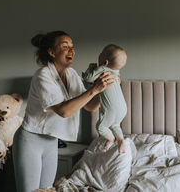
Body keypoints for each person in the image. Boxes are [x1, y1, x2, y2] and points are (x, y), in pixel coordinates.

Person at [12, 31, 115, 192]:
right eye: (65, 46)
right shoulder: (42, 75)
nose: (71, 50)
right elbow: (63, 111)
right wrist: (95, 89)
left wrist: (106, 88)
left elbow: (90, 106)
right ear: (51, 52)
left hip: (51, 141)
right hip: (30, 139)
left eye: (72, 47)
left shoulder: (72, 74)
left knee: (47, 190)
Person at [82, 44, 127, 154]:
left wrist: (91, 68)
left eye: (101, 53)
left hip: (111, 109)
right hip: (123, 108)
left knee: (100, 127)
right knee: (115, 125)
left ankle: (111, 139)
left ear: (106, 62)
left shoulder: (102, 69)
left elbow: (88, 78)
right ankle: (121, 140)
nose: (99, 54)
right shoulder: (116, 73)